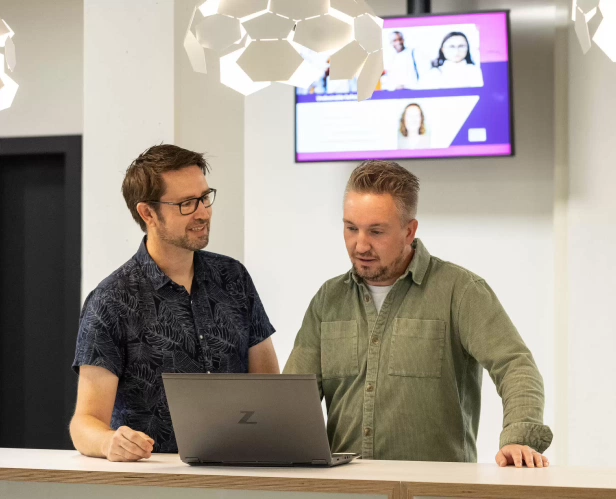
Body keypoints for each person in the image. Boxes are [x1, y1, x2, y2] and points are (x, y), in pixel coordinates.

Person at [284, 161, 553, 467]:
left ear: (409, 230)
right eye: (351, 228)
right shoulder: (327, 300)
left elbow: (516, 366)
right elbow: (292, 397)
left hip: (438, 489)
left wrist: (518, 438)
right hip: (348, 489)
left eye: (376, 231)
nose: (360, 244)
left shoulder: (461, 291)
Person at [70, 145, 279, 461]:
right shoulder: (110, 301)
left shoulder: (233, 277)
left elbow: (268, 387)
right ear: (148, 213)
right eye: (186, 204)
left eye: (205, 198)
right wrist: (108, 442)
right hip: (155, 481)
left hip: (240, 472)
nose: (203, 212)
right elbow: (85, 422)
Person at [420, 31, 484, 89]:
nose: (456, 51)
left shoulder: (475, 72)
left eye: (461, 46)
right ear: (442, 49)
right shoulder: (433, 74)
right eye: (451, 46)